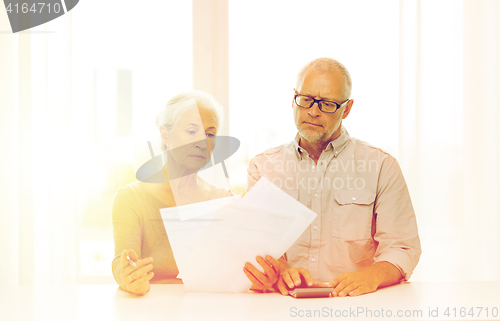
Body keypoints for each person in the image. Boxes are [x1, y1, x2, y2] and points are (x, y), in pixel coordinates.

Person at [243, 57, 421, 297]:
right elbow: (253, 247)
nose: (313, 112)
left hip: (356, 305)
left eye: (326, 104)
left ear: (346, 109)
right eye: (305, 100)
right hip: (282, 307)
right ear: (293, 99)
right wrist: (279, 272)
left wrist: (372, 275)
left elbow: (403, 247)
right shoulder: (262, 168)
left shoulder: (381, 166)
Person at [112, 91, 232, 295]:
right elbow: (121, 264)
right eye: (192, 131)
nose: (202, 142)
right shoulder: (131, 198)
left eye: (210, 134)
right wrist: (129, 277)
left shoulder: (224, 200)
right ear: (165, 136)